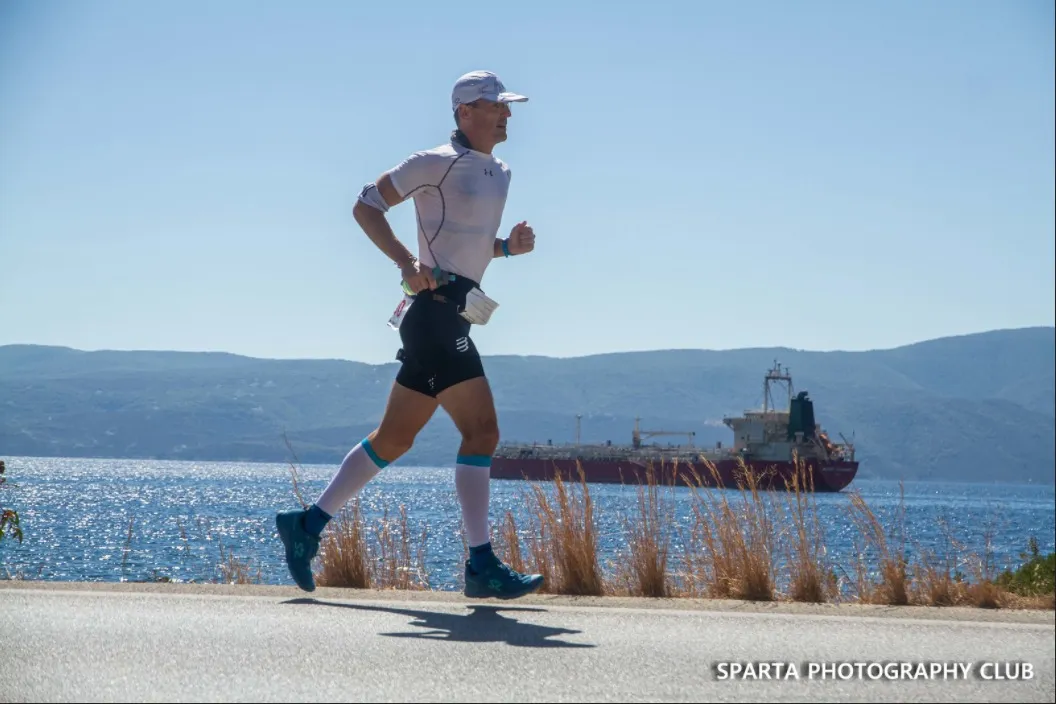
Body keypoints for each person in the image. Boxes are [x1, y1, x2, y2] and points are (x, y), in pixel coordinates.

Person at [276, 70, 544, 600]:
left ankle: (305, 527)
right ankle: (480, 565)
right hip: (435, 315)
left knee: (394, 439)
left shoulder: (502, 172)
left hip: (453, 313)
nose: (508, 114)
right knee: (483, 432)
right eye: (497, 105)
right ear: (466, 111)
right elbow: (364, 204)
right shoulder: (431, 162)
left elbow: (466, 247)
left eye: (508, 106)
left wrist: (507, 249)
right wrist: (404, 262)